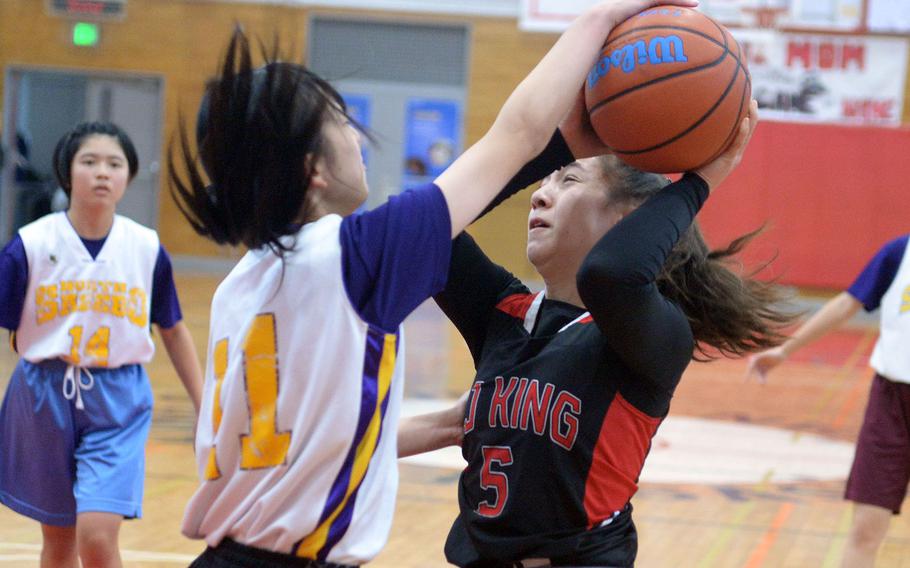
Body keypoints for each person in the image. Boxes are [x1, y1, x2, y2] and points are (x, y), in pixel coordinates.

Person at [169, 2, 698, 566]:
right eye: (343, 123)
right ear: (312, 171)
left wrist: (450, 425)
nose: (357, 137)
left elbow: (313, 448)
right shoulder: (355, 257)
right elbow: (517, 132)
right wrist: (602, 18)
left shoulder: (242, 285)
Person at [426, 93, 798, 567]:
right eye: (545, 182)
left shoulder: (653, 336)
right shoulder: (504, 313)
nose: (540, 195)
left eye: (569, 181)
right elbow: (431, 221)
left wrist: (699, 183)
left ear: (629, 217)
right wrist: (561, 148)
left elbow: (609, 274)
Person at [0, 121, 203, 568]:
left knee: (95, 535)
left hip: (118, 399)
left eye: (114, 164)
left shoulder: (146, 248)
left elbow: (172, 328)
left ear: (129, 176)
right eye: (89, 162)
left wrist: (205, 403)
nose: (102, 173)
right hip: (42, 394)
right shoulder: (31, 245)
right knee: (58, 542)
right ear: (67, 172)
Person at [747, 235, 910, 568]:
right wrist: (785, 349)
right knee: (865, 528)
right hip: (891, 404)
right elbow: (846, 304)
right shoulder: (899, 253)